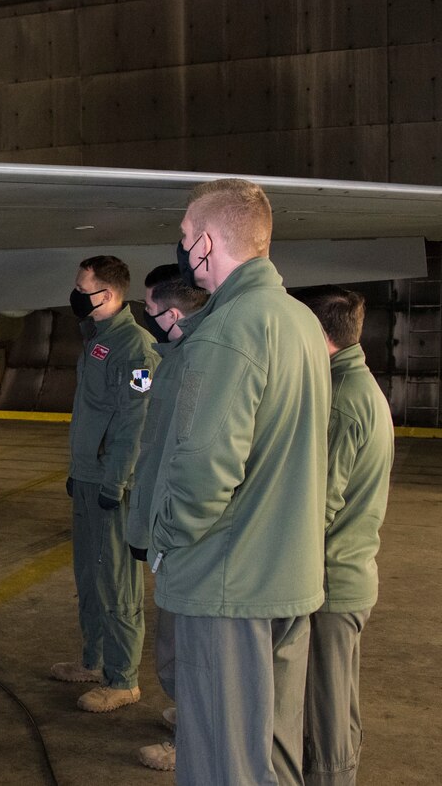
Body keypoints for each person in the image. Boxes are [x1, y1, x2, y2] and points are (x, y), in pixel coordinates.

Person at [146, 179, 331, 785]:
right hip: (286, 575)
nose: (180, 250)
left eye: (182, 239)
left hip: (228, 585)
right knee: (272, 759)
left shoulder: (228, 331)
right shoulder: (300, 321)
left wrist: (165, 538)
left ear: (204, 242)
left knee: (223, 763)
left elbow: (204, 471)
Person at [294, 285, 394, 786]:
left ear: (319, 333)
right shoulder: (362, 385)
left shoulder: (341, 400)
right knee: (339, 705)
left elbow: (319, 506)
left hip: (332, 583)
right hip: (352, 576)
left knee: (325, 713)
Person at [52, 255, 160, 713]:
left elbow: (133, 424)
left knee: (116, 583)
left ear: (108, 294)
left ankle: (123, 679)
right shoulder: (97, 339)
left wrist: (114, 483)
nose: (76, 294)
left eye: (83, 288)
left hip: (110, 484)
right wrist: (79, 472)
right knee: (89, 577)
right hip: (87, 477)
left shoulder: (135, 349)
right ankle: (93, 661)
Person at [127, 273, 209, 772]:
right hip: (161, 516)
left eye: (150, 309)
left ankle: (194, 740)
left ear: (171, 315)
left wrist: (167, 530)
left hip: (181, 529)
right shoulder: (175, 359)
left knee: (186, 647)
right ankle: (191, 721)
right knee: (174, 641)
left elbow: (193, 458)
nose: (146, 318)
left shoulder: (187, 362)